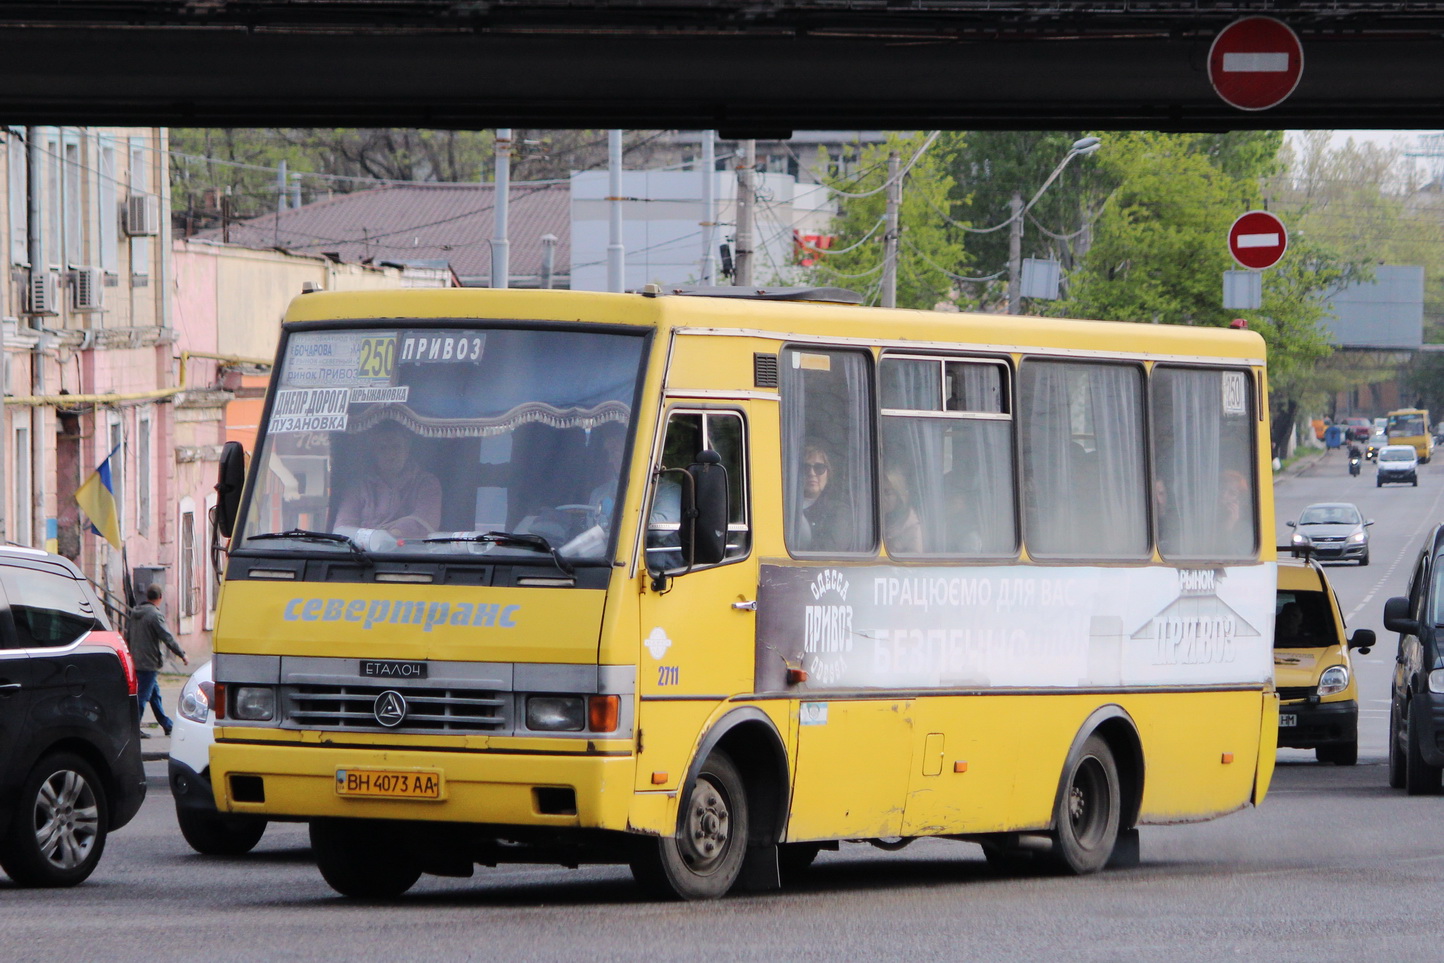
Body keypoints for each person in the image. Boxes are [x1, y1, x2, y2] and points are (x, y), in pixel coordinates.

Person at [334, 420, 442, 540]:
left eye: (396, 447)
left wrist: (389, 536)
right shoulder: (358, 486)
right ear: (374, 452)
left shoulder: (427, 483)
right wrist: (373, 540)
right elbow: (343, 526)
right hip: (362, 555)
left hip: (411, 555)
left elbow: (424, 522)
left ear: (407, 448)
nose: (390, 455)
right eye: (383, 448)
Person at [126, 583, 188, 737]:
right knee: (143, 697)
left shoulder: (134, 613)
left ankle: (167, 725)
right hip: (149, 662)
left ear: (148, 597)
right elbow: (167, 637)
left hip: (136, 660)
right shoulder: (155, 615)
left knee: (154, 696)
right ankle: (133, 730)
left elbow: (127, 636)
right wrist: (182, 654)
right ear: (160, 598)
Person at [798, 441, 855, 551]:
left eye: (819, 468)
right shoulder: (782, 508)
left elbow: (829, 551)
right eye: (806, 468)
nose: (812, 473)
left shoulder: (839, 512)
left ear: (828, 474)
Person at [882, 466, 923, 554]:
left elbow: (914, 563)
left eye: (887, 493)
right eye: (879, 492)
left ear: (899, 495)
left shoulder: (912, 528)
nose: (881, 497)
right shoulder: (875, 520)